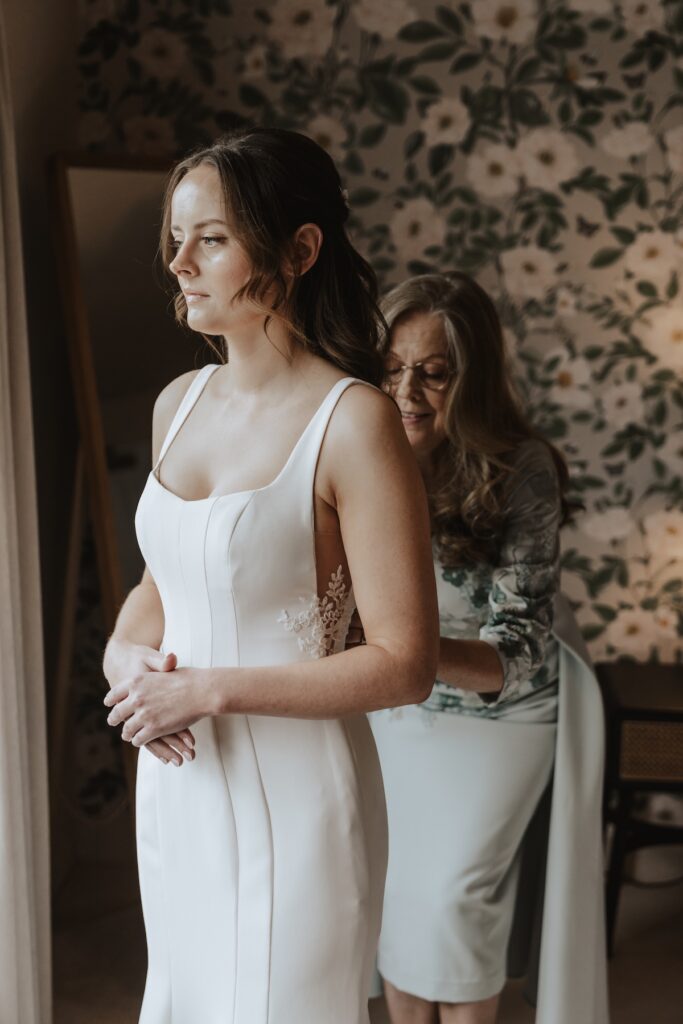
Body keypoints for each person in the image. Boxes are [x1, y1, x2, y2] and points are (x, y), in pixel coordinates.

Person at [101, 128, 439, 1024]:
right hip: (179, 789)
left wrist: (206, 691)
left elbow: (405, 662)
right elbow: (156, 588)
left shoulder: (354, 422)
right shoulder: (179, 404)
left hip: (300, 800)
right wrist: (122, 662)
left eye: (210, 238)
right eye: (175, 239)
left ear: (298, 250)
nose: (179, 262)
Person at [370, 272, 609, 1024]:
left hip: (504, 714)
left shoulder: (521, 467)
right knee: (397, 894)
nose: (405, 390)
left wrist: (403, 653)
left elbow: (517, 650)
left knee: (453, 900)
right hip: (397, 708)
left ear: (469, 384)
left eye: (432, 374)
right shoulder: (363, 451)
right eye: (391, 366)